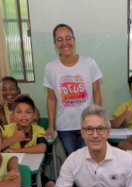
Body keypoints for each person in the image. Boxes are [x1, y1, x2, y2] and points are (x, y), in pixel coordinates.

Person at [44, 23, 103, 155]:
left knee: (87, 158)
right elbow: (51, 99)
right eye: (60, 39)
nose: (65, 42)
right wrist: (51, 125)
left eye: (68, 38)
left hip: (87, 124)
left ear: (74, 40)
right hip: (65, 127)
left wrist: (98, 119)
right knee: (73, 160)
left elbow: (97, 93)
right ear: (55, 43)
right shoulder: (50, 67)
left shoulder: (89, 63)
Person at [2, 94, 56, 187]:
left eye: (28, 112)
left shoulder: (38, 130)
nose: (23, 116)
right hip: (10, 175)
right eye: (19, 112)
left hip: (34, 175)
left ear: (33, 115)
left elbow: (42, 147)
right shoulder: (6, 129)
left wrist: (14, 151)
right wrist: (13, 138)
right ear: (13, 115)